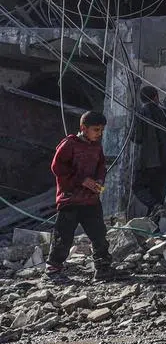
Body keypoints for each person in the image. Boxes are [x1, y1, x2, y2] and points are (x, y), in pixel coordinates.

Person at [47, 112, 112, 281]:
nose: (99, 133)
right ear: (83, 128)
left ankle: (103, 268)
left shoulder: (97, 146)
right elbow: (57, 167)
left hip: (90, 200)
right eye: (96, 129)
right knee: (64, 236)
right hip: (70, 199)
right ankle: (53, 270)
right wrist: (81, 180)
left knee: (99, 234)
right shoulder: (69, 144)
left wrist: (98, 180)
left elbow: (101, 166)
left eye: (102, 130)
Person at [131, 86, 166, 218]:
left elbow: (136, 138)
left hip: (146, 162)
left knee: (138, 187)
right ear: (156, 97)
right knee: (159, 196)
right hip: (165, 162)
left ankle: (153, 209)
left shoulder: (140, 113)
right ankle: (153, 227)